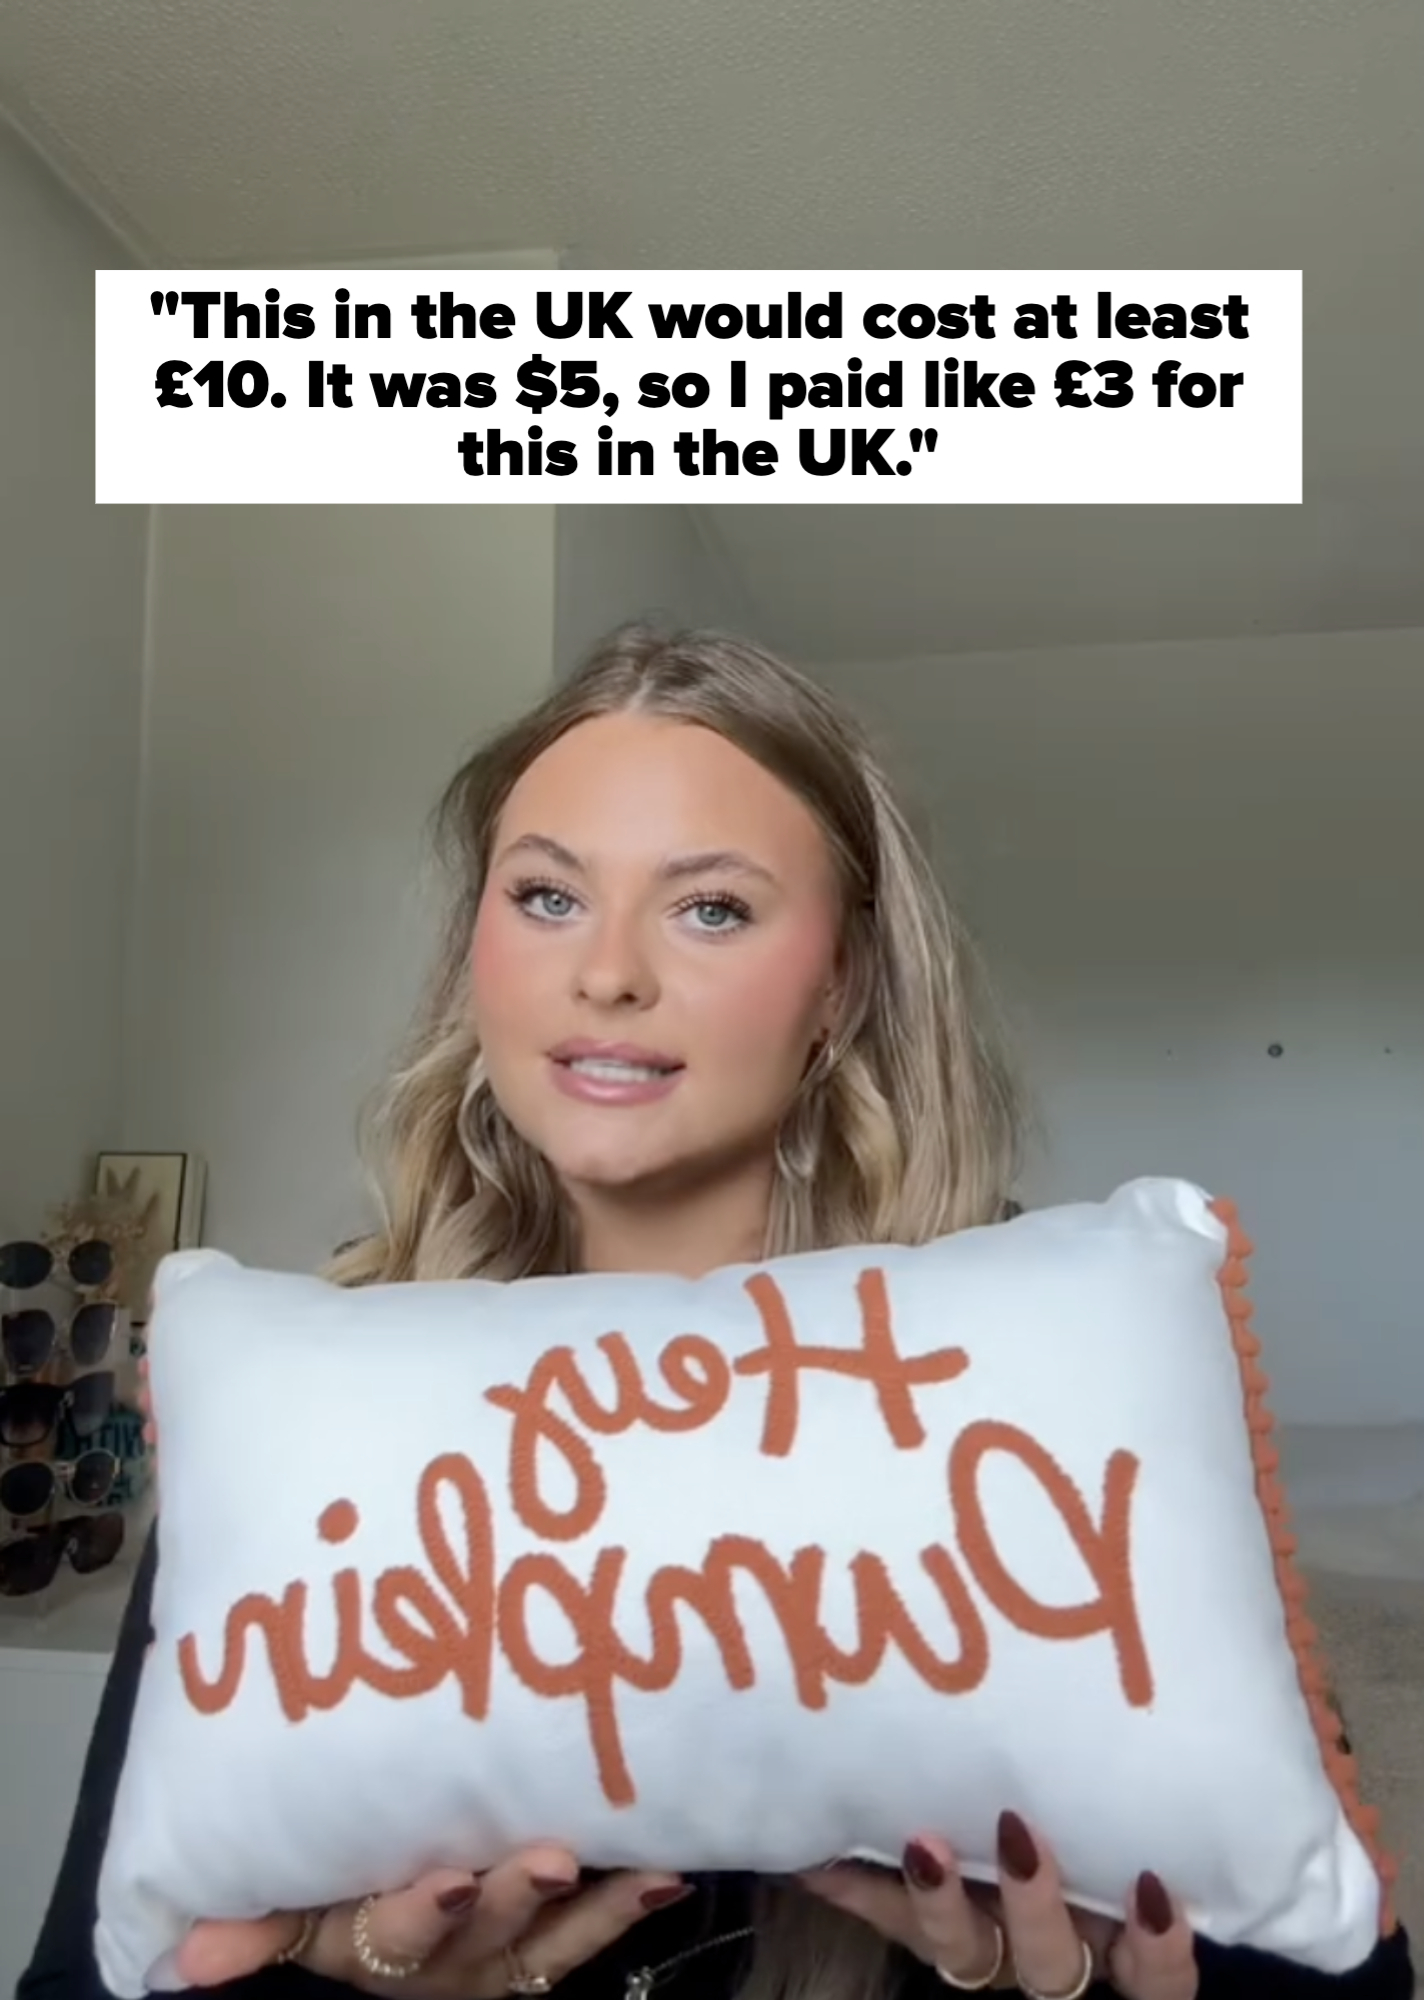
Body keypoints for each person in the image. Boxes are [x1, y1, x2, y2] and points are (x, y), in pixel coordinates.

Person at [20, 626, 1412, 2000]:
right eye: (549, 896)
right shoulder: (316, 1405)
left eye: (713, 907)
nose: (609, 971)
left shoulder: (1048, 1373)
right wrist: (347, 1978)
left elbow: (1330, 1958)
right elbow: (94, 1974)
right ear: (474, 956)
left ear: (841, 990)